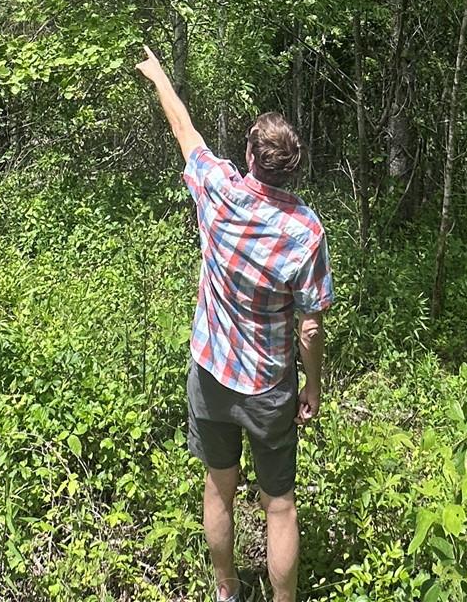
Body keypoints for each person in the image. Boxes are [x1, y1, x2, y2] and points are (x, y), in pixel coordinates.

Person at [137, 46, 332, 602]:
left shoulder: (218, 191)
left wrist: (160, 78)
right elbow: (310, 329)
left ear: (249, 155)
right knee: (280, 505)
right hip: (270, 387)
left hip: (212, 374)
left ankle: (226, 591)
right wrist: (313, 385)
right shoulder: (306, 232)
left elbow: (184, 129)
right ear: (293, 167)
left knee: (219, 489)